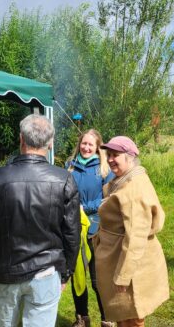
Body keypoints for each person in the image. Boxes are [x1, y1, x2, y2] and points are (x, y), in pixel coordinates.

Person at [0, 114, 80, 326]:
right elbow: (72, 234)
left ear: (21, 139)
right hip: (45, 272)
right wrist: (66, 273)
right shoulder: (64, 179)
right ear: (50, 143)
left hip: (7, 273)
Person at [94, 136, 169, 327]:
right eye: (108, 154)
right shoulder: (125, 180)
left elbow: (136, 236)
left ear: (130, 157)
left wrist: (124, 275)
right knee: (124, 315)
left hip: (130, 263)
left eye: (115, 155)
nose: (110, 159)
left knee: (132, 316)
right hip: (117, 256)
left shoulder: (134, 188)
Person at [66, 129, 114, 327]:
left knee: (98, 280)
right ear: (79, 144)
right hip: (73, 228)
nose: (86, 148)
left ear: (97, 147)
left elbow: (108, 198)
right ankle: (82, 318)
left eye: (90, 145)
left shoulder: (104, 168)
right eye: (83, 144)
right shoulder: (69, 166)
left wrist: (84, 207)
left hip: (96, 229)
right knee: (78, 277)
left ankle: (107, 319)